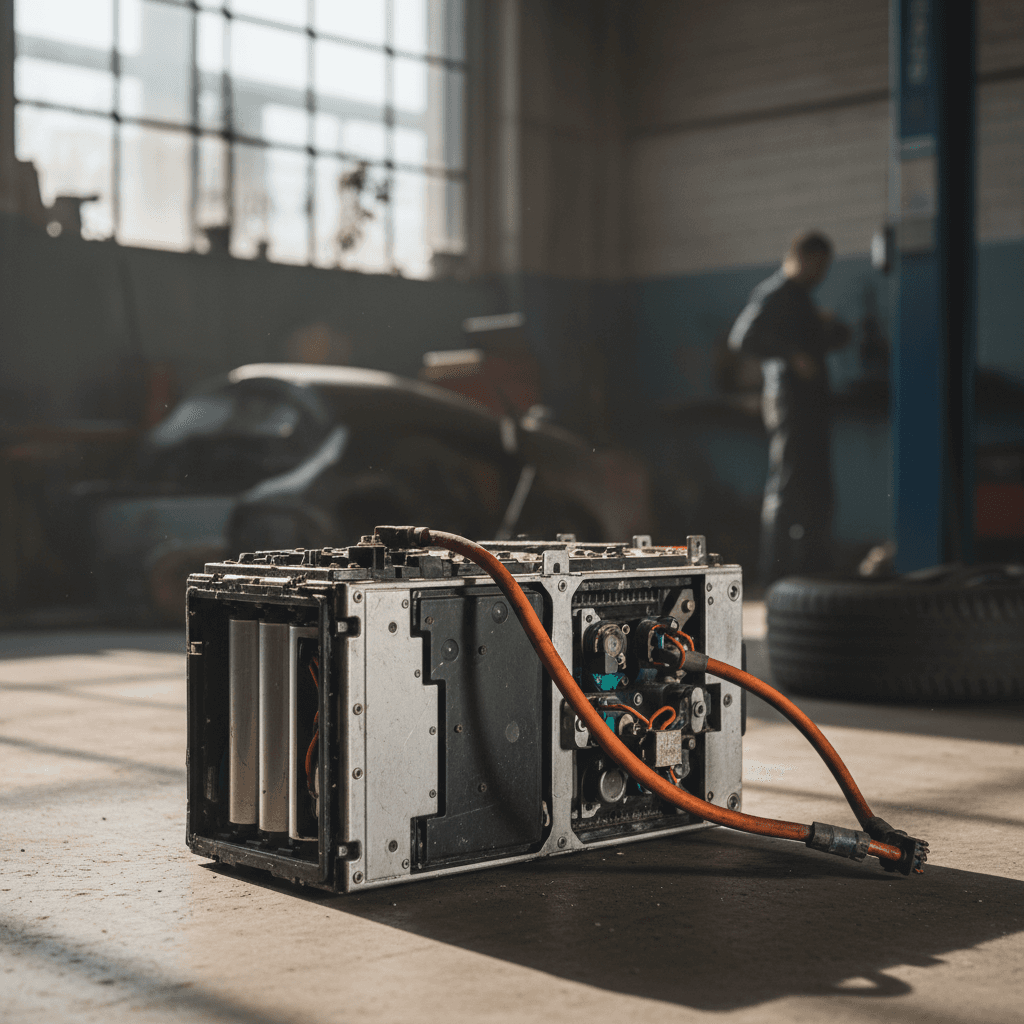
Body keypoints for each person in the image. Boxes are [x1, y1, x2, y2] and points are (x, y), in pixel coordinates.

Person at [729, 231, 850, 586]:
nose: (821, 273)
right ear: (802, 257)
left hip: (812, 406)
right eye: (818, 264)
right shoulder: (775, 293)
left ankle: (813, 570)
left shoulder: (802, 300)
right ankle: (774, 574)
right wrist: (790, 355)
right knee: (788, 486)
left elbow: (818, 341)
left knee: (817, 489)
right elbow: (742, 337)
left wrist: (833, 329)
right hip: (790, 406)